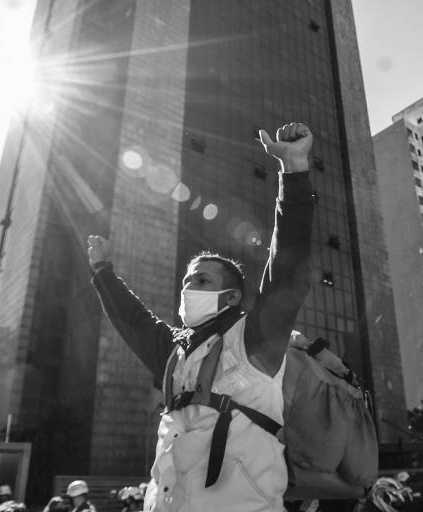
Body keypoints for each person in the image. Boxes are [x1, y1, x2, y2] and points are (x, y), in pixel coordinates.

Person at [88, 122, 316, 512]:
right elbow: (134, 320)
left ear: (230, 296)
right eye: (187, 279)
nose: (188, 287)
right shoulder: (177, 352)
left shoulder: (255, 337)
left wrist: (293, 170)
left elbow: (288, 263)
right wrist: (102, 271)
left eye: (201, 279)